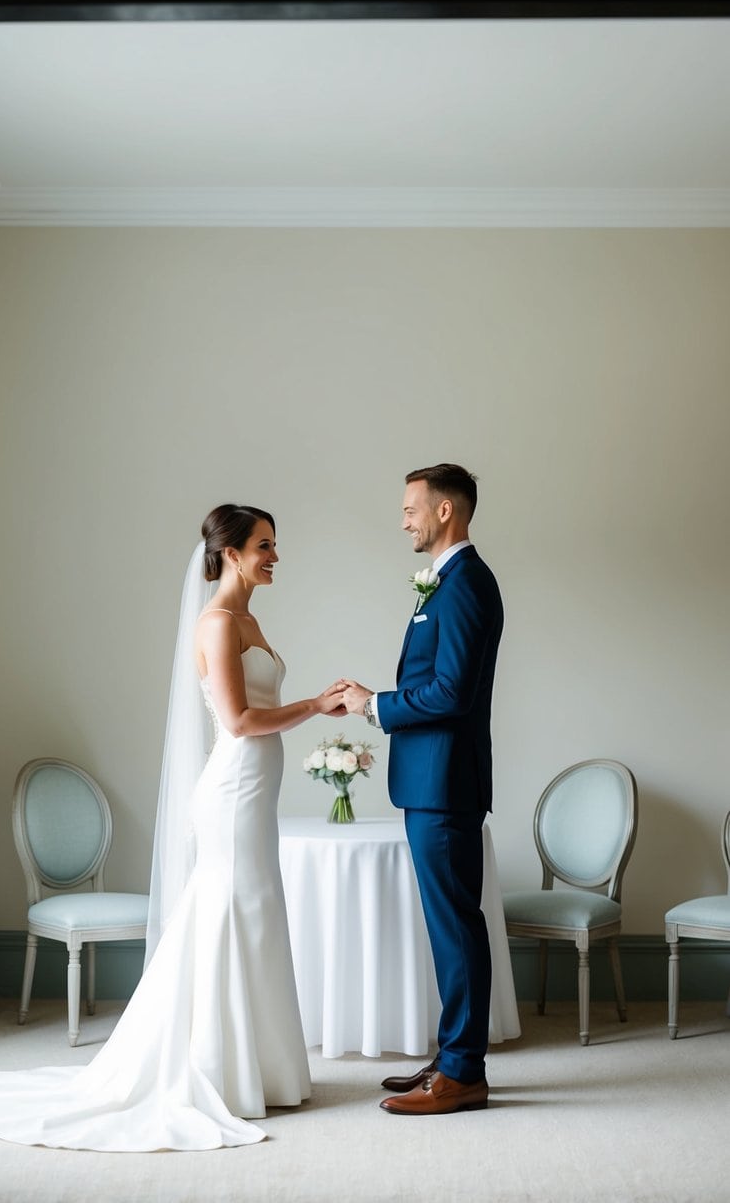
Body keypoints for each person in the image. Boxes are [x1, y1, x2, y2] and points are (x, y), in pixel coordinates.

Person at [0, 503, 347, 1150]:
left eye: (274, 544)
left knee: (256, 912)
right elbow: (239, 721)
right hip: (233, 788)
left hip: (255, 790)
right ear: (231, 552)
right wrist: (316, 704)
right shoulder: (217, 622)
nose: (275, 556)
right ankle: (216, 1069)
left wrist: (309, 707)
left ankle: (260, 1071)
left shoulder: (249, 618)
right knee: (229, 911)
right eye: (264, 545)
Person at [340, 464, 503, 1116]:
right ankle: (453, 1055)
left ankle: (463, 1074)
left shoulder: (466, 584)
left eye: (412, 508)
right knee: (448, 925)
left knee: (456, 926)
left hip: (444, 784)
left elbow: (451, 694)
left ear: (444, 512)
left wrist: (373, 704)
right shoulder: (444, 581)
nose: (403, 518)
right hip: (429, 781)